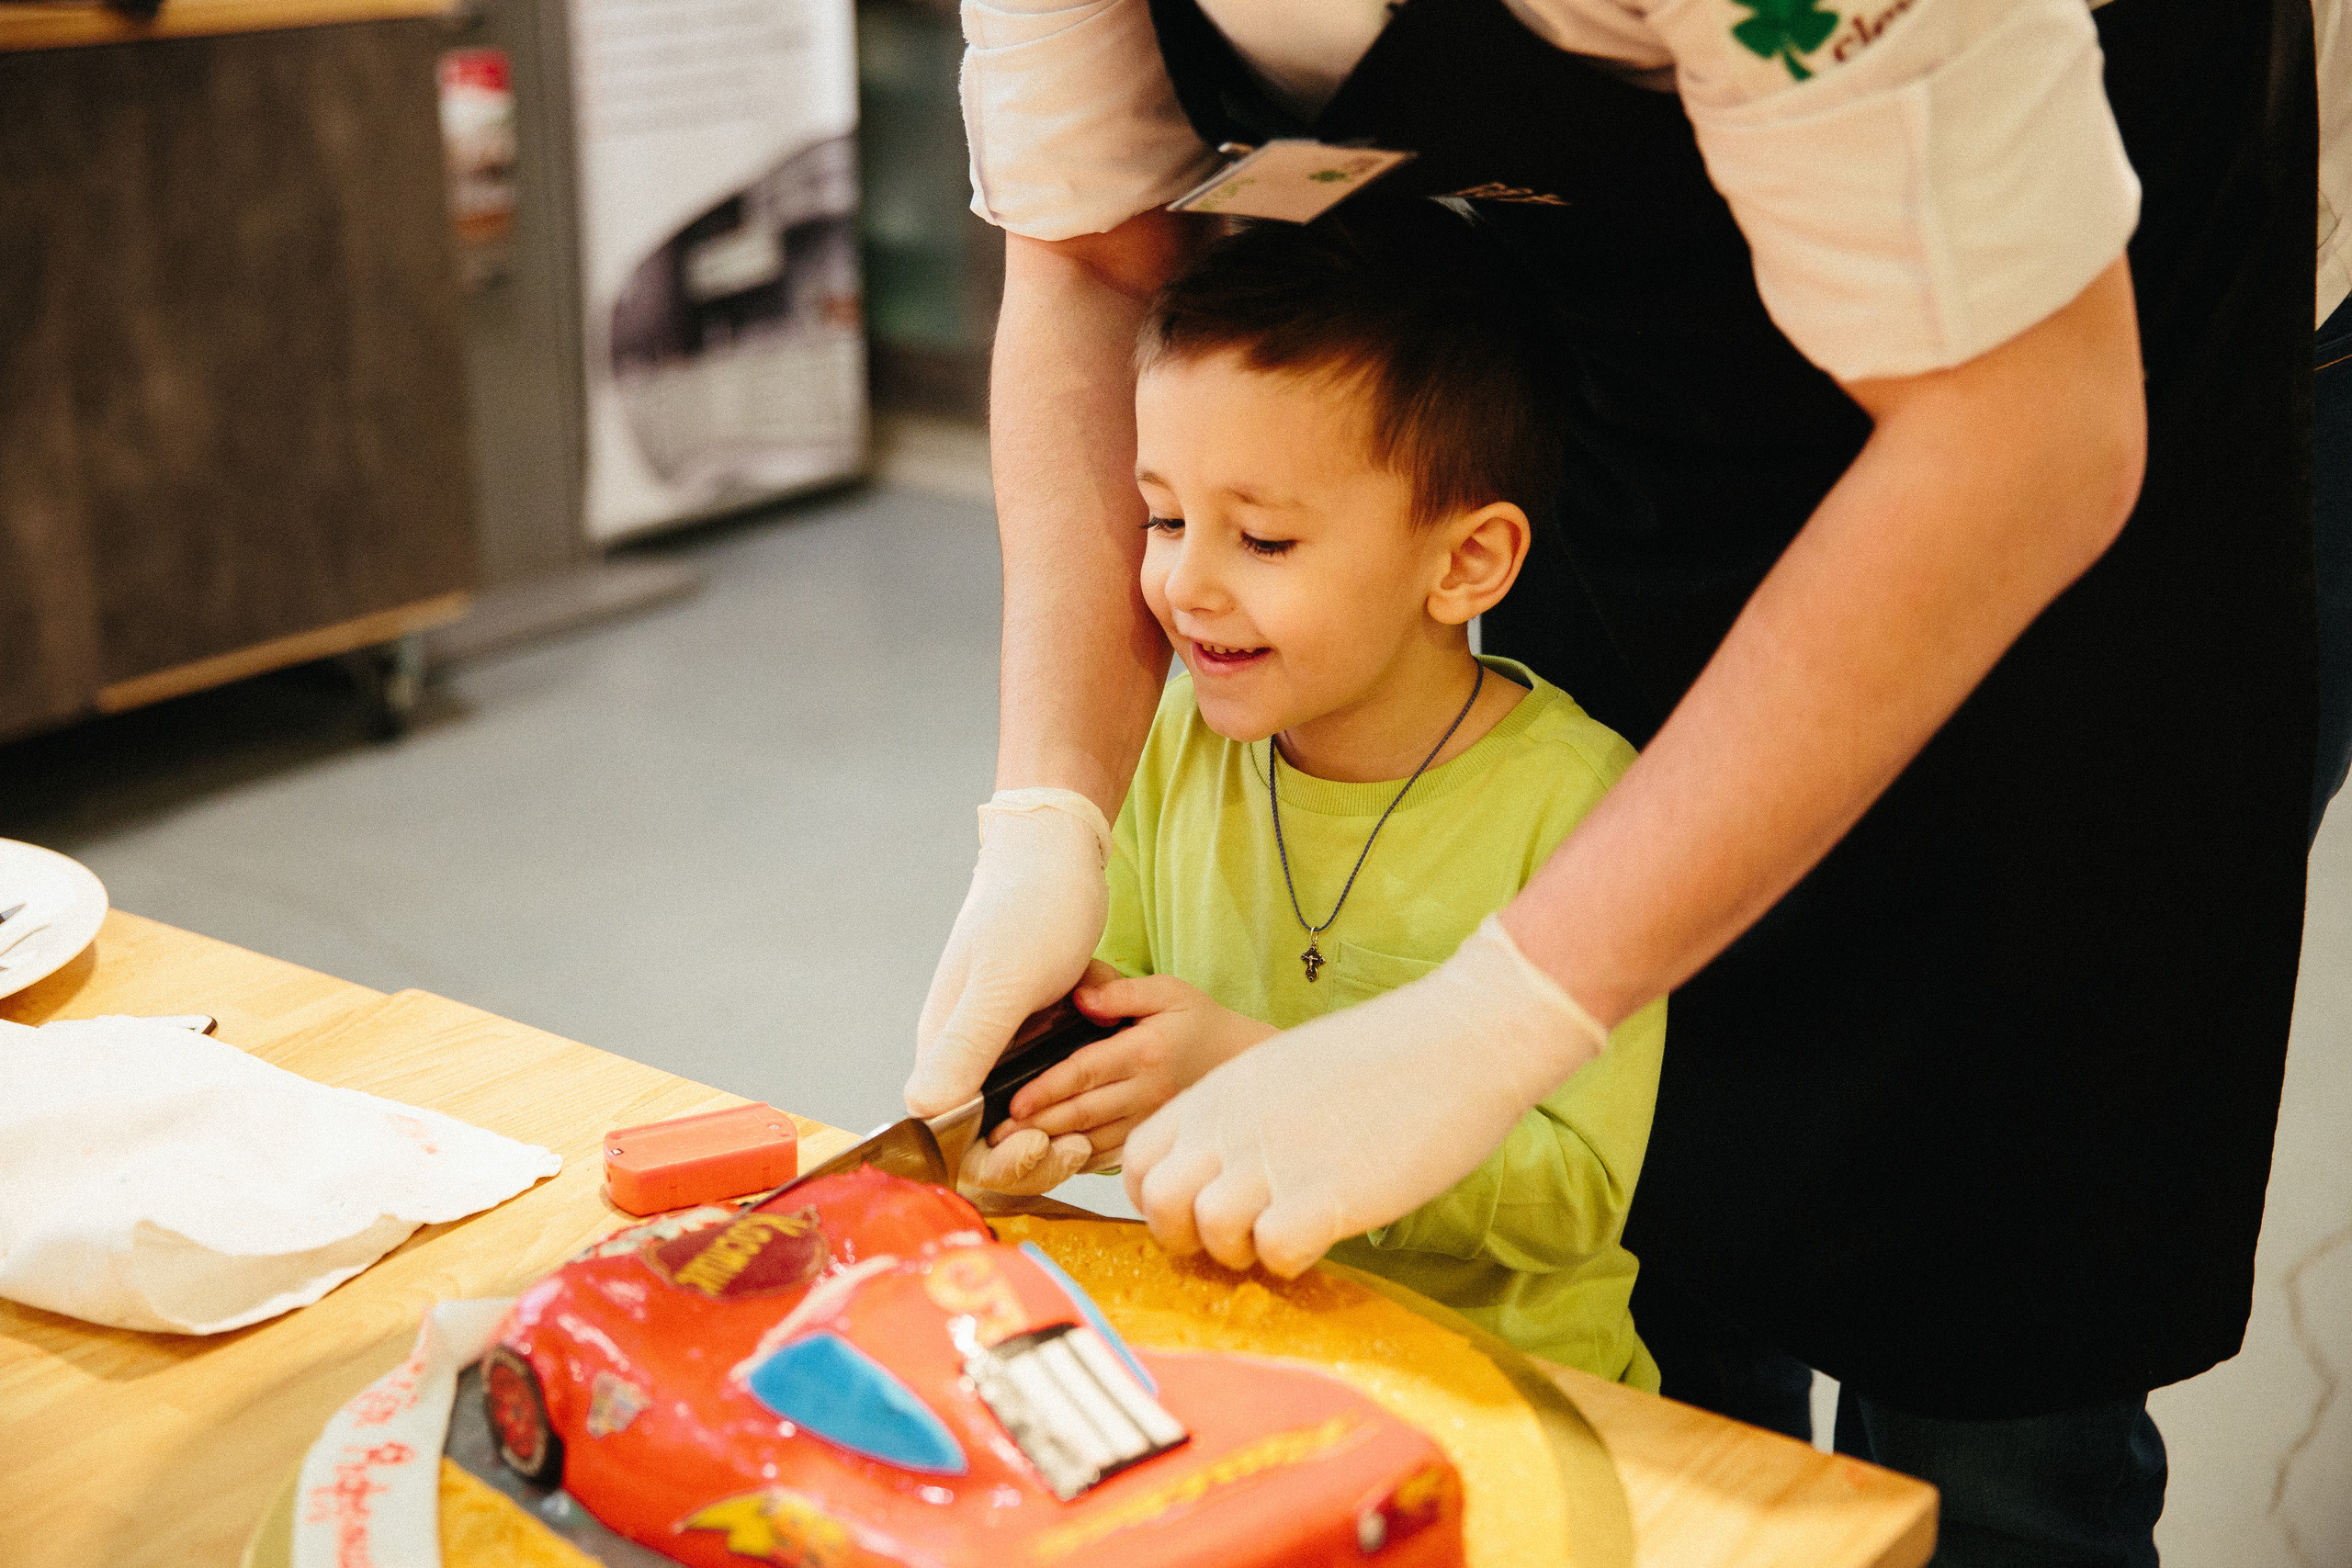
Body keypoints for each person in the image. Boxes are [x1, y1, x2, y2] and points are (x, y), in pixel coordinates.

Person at [908, 1, 2313, 1562]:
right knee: (1687, 1310)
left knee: (1997, 1360)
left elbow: (2031, 429)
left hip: (2094, 396)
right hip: (1642, 386)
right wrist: (1051, 813)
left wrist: (1490, 1020)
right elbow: (1099, 260)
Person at [962, 213, 1668, 1384]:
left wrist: (1245, 1067)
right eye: (1166, 518)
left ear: (1465, 563)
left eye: (1265, 539)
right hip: (1240, 1366)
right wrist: (1051, 1091)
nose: (1185, 585)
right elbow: (1117, 1010)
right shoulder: (1172, 739)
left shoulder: (1581, 801)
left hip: (1500, 1394)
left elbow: (1574, 1199)